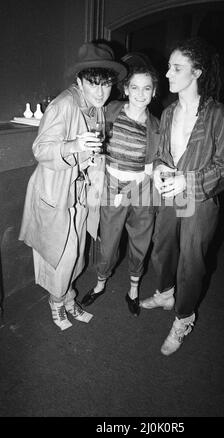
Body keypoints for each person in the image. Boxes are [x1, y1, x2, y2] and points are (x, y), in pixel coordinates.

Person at [140, 37, 224, 355]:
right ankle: (166, 292)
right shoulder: (168, 113)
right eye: (169, 66)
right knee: (163, 249)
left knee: (191, 264)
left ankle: (184, 317)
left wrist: (189, 181)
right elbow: (160, 154)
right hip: (171, 196)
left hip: (199, 199)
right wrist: (158, 169)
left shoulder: (221, 116)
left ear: (197, 72)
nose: (167, 73)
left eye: (176, 67)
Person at [19, 42, 127, 330]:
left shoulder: (96, 107)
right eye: (94, 84)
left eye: (106, 84)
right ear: (79, 81)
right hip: (56, 193)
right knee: (61, 255)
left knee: (77, 252)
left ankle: (67, 297)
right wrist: (74, 145)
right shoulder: (64, 105)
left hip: (78, 192)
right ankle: (57, 303)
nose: (101, 92)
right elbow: (41, 150)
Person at [81, 55, 160, 316]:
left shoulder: (157, 127)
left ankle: (134, 289)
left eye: (147, 88)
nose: (140, 94)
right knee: (108, 244)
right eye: (134, 87)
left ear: (154, 92)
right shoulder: (111, 109)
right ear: (125, 89)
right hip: (112, 186)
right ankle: (101, 283)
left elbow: (152, 168)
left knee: (140, 243)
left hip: (141, 191)